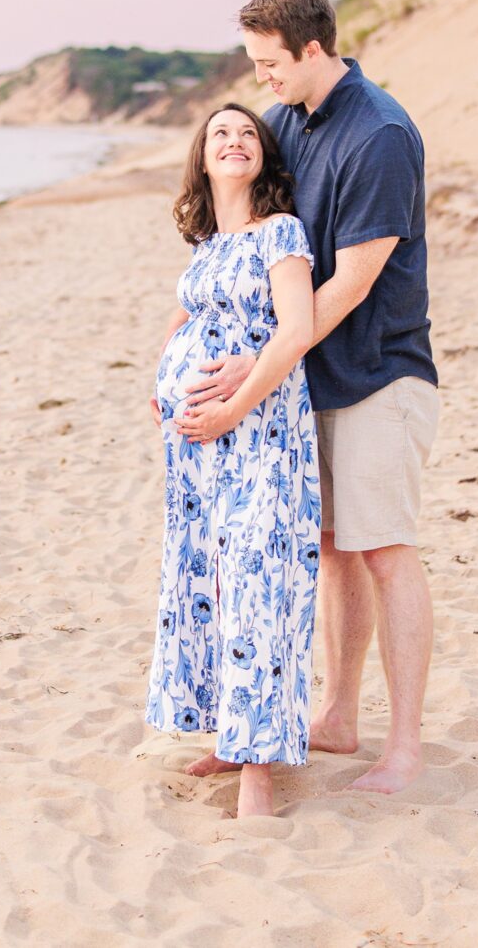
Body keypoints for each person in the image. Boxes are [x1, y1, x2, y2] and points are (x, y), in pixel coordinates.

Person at [186, 0, 438, 794]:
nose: (263, 78)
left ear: (314, 49)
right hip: (309, 380)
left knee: (386, 551)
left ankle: (404, 747)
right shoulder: (292, 121)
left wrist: (252, 378)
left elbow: (347, 287)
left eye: (270, 63)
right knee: (332, 549)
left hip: (378, 373)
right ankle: (335, 713)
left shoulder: (381, 135)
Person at [143, 102, 321, 819]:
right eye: (221, 132)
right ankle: (228, 731)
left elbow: (296, 330)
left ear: (262, 156)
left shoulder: (280, 232)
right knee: (208, 576)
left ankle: (259, 770)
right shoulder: (208, 243)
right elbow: (190, 311)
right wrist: (161, 373)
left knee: (257, 581)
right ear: (203, 157)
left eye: (248, 132)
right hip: (198, 449)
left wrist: (232, 405)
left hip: (260, 431)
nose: (236, 139)